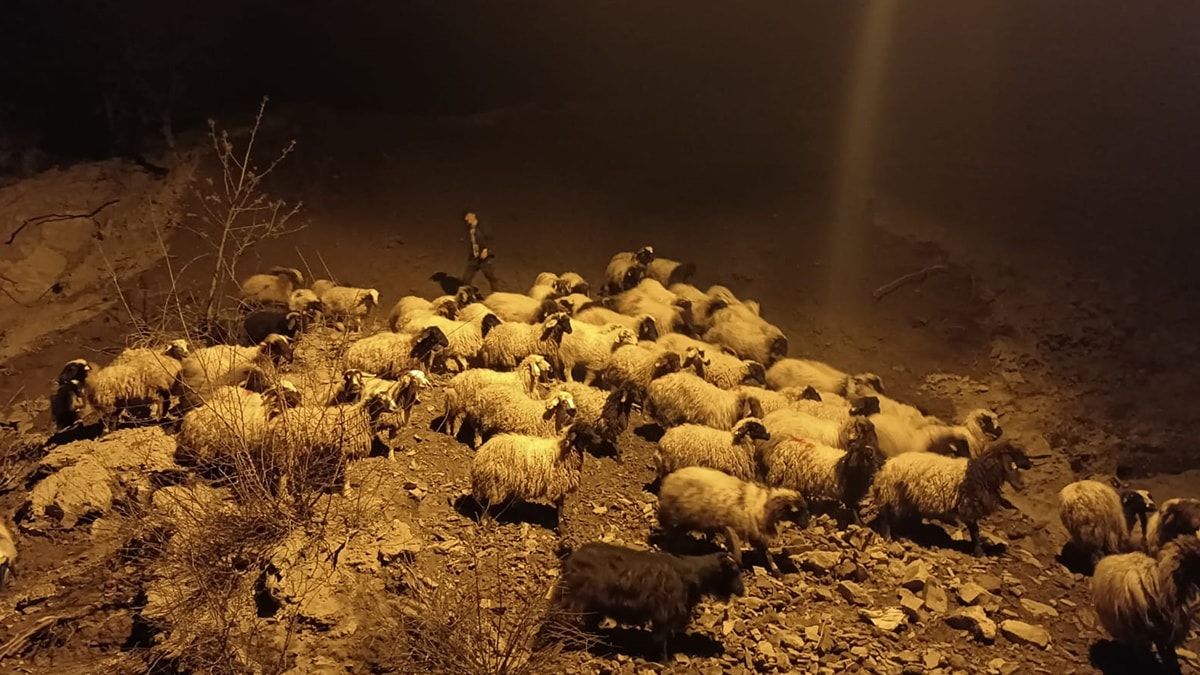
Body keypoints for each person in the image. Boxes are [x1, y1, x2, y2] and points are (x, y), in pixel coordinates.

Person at [461, 211, 502, 292]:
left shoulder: (483, 227)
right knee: (466, 278)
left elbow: (490, 240)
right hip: (474, 258)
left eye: (467, 216)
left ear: (473, 215)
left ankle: (496, 295)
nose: (466, 219)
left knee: (491, 277)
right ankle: (467, 297)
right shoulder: (469, 229)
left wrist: (487, 250)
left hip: (484, 258)